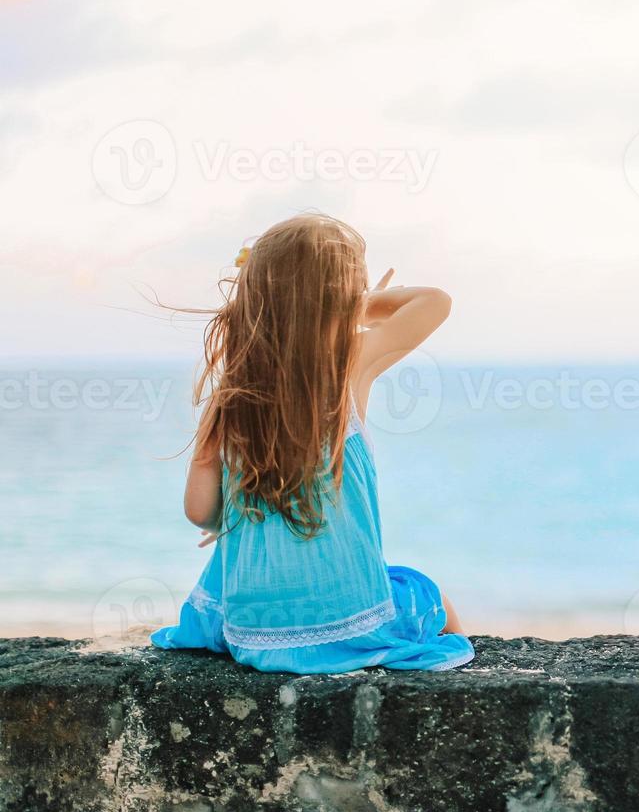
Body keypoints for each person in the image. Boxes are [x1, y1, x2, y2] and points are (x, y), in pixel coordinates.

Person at [151, 212, 474, 673]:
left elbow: (199, 511)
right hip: (351, 626)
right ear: (342, 299)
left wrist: (231, 516)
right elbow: (435, 302)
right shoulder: (351, 363)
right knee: (425, 591)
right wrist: (359, 307)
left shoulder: (231, 394)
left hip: (254, 637)